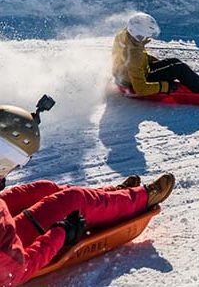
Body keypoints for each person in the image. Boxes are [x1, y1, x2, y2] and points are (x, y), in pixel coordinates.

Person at [0, 101, 176, 287]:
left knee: (43, 189)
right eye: (17, 163)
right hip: (12, 256)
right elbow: (14, 274)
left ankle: (113, 195)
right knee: (73, 201)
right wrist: (60, 233)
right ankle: (142, 198)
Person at [112, 12, 199, 97]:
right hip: (135, 80)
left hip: (130, 73)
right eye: (146, 35)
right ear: (138, 35)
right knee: (178, 69)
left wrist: (157, 62)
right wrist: (165, 86)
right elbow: (140, 89)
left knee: (173, 62)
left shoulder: (126, 36)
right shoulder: (134, 55)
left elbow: (135, 58)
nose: (148, 37)